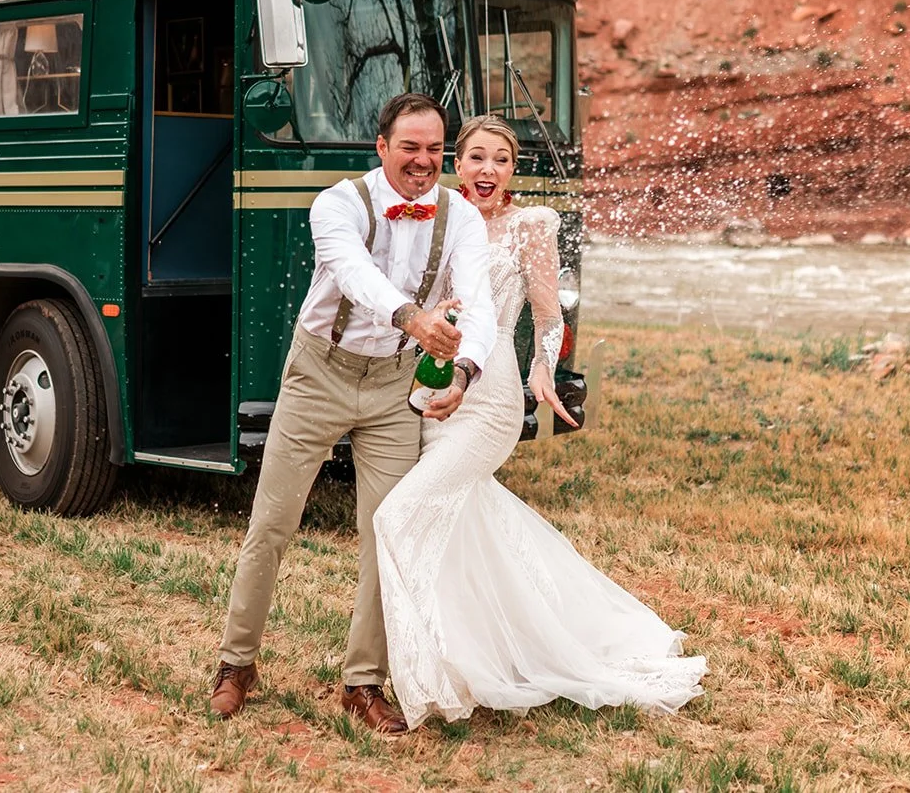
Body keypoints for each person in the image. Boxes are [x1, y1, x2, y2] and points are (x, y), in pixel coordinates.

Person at [373, 114, 707, 730]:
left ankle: (427, 682)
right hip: (438, 388)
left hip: (493, 392)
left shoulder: (532, 225)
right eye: (475, 157)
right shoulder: (436, 218)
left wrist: (542, 370)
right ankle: (488, 655)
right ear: (457, 163)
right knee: (464, 525)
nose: (487, 170)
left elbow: (548, 314)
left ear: (513, 168)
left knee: (399, 514)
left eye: (500, 159)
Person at [210, 93, 497, 734]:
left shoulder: (463, 220)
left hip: (395, 387)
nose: (423, 162)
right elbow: (354, 274)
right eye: (409, 147)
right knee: (273, 522)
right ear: (382, 147)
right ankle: (236, 664)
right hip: (319, 373)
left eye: (433, 149)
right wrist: (412, 318)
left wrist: (465, 372)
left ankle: (363, 682)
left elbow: (479, 302)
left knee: (386, 536)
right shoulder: (339, 202)